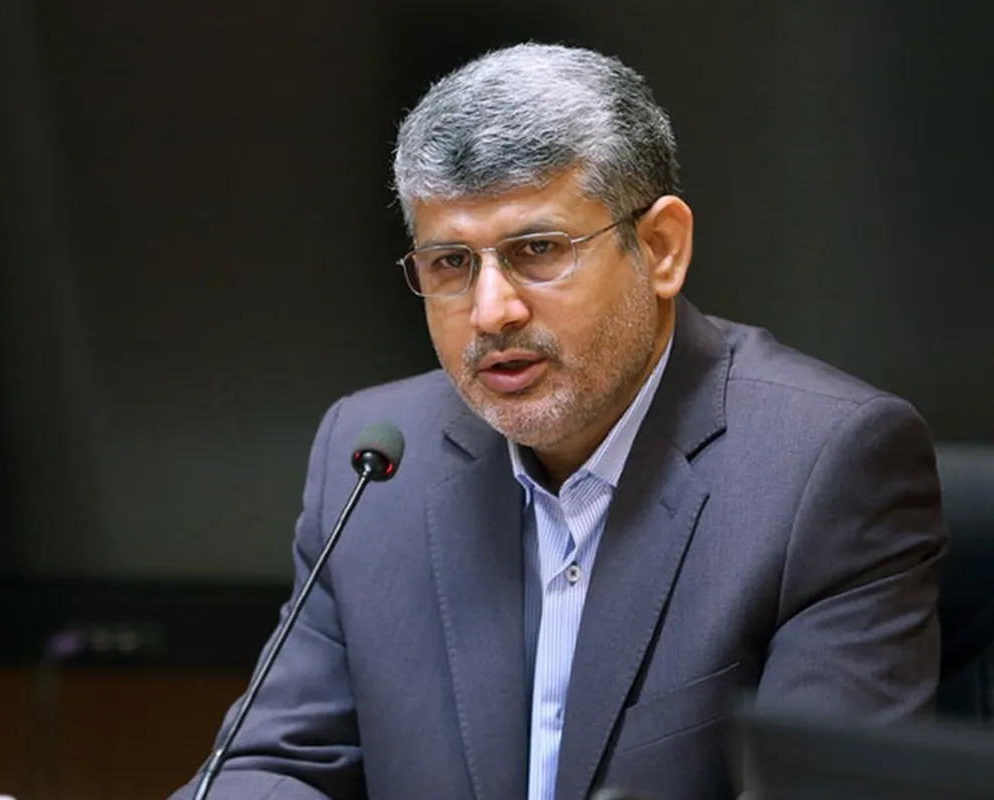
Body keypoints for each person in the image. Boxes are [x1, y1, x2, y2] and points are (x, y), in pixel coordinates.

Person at [170, 43, 946, 800]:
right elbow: (280, 763)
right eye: (451, 263)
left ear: (661, 248)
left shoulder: (824, 466)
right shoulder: (374, 459)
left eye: (538, 249)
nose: (491, 312)